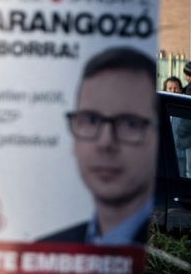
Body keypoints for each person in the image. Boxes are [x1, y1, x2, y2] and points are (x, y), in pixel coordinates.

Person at [42, 47, 157, 245]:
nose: (105, 142)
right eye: (91, 120)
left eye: (129, 123)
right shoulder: (48, 249)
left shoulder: (163, 256)